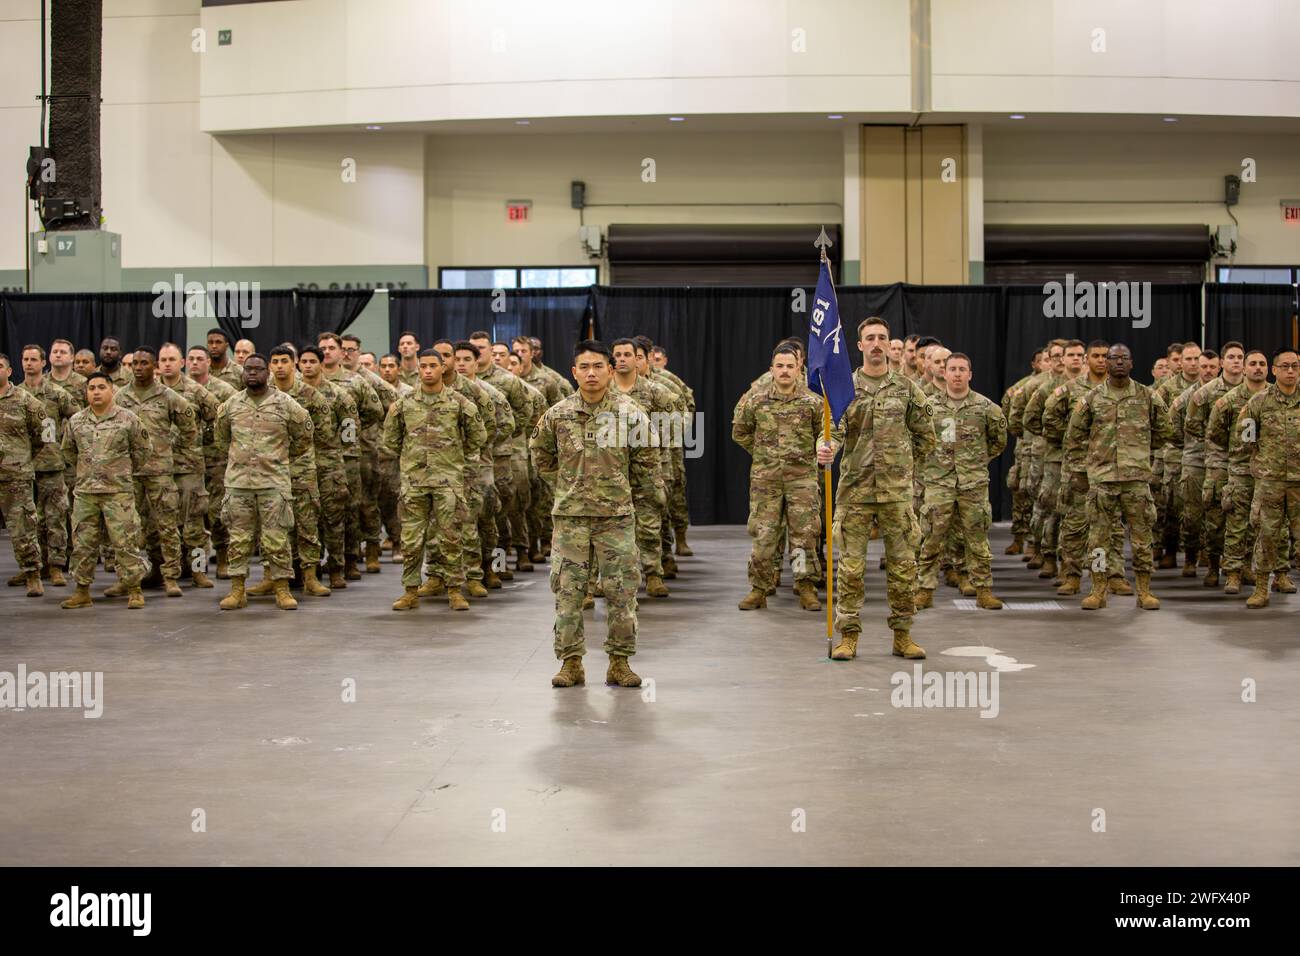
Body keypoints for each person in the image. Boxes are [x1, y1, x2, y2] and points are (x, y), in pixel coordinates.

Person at [532, 340, 662, 688]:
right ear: (574, 372)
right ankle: (570, 663)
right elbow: (541, 457)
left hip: (616, 519)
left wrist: (624, 494)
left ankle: (620, 662)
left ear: (610, 369)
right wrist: (566, 486)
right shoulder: (558, 414)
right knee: (568, 592)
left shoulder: (630, 412)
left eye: (598, 366)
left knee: (621, 592)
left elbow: (647, 462)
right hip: (571, 519)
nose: (591, 373)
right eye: (584, 367)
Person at [817, 317, 935, 661]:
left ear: (889, 344)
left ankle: (903, 635)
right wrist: (825, 446)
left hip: (897, 493)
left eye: (882, 337)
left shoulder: (907, 388)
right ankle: (848, 636)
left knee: (902, 567)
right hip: (855, 491)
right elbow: (834, 430)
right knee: (851, 570)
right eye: (869, 338)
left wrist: (906, 467)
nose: (876, 343)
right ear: (859, 345)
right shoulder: (844, 387)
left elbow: (925, 434)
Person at [1065, 344, 1173, 611]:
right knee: (1098, 539)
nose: (1119, 363)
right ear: (1107, 363)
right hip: (1102, 479)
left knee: (1141, 537)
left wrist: (1140, 453)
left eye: (1124, 358)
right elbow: (1074, 436)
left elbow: (1164, 430)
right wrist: (1085, 468)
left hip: (1136, 479)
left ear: (1132, 363)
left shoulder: (1148, 396)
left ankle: (1144, 590)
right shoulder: (1091, 398)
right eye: (1114, 358)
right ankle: (1098, 589)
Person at [384, 348, 483, 612]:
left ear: (442, 368)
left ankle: (454, 590)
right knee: (411, 540)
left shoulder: (459, 402)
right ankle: (410, 591)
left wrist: (454, 459)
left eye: (432, 366)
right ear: (417, 368)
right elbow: (390, 440)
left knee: (451, 537)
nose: (427, 370)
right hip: (414, 482)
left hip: (448, 481)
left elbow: (477, 437)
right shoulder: (404, 403)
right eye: (423, 366)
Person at [214, 354, 314, 611]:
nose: (252, 373)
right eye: (248, 369)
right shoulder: (231, 405)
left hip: (273, 483)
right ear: (242, 372)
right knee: (238, 539)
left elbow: (304, 436)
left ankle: (282, 589)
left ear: (267, 372)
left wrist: (278, 458)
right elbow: (221, 439)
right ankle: (237, 590)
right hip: (239, 483)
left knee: (277, 539)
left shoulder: (285, 404)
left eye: (258, 369)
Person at [732, 343, 825, 611]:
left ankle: (805, 586)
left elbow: (824, 434)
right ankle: (759, 588)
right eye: (780, 366)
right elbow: (740, 431)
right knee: (764, 536)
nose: (785, 371)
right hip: (766, 481)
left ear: (799, 369)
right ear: (771, 369)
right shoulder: (756, 400)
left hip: (802, 481)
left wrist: (811, 456)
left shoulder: (812, 402)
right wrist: (762, 453)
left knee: (804, 536)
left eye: (790, 366)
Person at [915, 352, 1007, 610]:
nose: (956, 374)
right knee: (931, 537)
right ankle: (924, 589)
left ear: (970, 374)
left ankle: (983, 590)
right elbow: (917, 439)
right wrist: (930, 467)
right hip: (938, 482)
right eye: (952, 369)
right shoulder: (929, 407)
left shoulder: (986, 408)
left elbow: (998, 441)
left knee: (977, 538)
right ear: (943, 373)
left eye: (961, 369)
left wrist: (976, 461)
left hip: (973, 484)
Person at [59, 372, 151, 609]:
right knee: (83, 544)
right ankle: (82, 591)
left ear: (111, 390)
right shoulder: (77, 421)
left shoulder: (128, 419)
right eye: (91, 388)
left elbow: (142, 451)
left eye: (101, 387)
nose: (96, 392)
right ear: (86, 392)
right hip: (86, 493)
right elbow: (68, 451)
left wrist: (121, 473)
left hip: (117, 493)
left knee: (125, 542)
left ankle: (134, 590)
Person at [115, 347, 198, 598]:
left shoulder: (168, 396)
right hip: (130, 473)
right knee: (129, 527)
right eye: (135, 363)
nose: (138, 368)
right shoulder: (120, 396)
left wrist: (171, 449)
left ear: (155, 367)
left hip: (160, 471)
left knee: (167, 525)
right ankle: (132, 577)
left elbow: (189, 428)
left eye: (144, 363)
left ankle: (171, 576)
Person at [264, 346, 332, 597]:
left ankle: (310, 576)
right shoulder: (263, 395)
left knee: (307, 523)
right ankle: (272, 575)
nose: (280, 366)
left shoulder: (311, 396)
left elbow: (324, 435)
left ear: (294, 364)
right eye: (275, 361)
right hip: (270, 470)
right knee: (273, 526)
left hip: (301, 469)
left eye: (284, 361)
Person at [611, 338, 676, 599]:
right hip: (612, 469)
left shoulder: (653, 391)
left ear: (640, 359)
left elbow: (678, 417)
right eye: (618, 354)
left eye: (629, 354)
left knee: (649, 524)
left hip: (647, 468)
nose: (623, 359)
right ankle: (612, 579)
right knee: (612, 527)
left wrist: (655, 441)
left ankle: (653, 575)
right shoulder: (603, 392)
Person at [1207, 349, 1273, 595]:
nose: (1258, 368)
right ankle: (1232, 573)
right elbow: (1214, 434)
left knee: (1268, 526)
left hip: (1270, 473)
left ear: (1268, 369)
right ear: (1244, 368)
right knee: (1237, 524)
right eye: (1253, 363)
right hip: (1240, 471)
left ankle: (1261, 570)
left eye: (1262, 364)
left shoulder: (1275, 397)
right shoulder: (1229, 400)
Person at [1239, 346, 1300, 608]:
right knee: (1266, 535)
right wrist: (1264, 463)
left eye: (1294, 366)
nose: (1290, 371)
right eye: (1284, 366)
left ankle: (1283, 577)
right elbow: (1245, 438)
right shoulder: (1259, 402)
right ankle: (1262, 588)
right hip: (1270, 481)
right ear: (1274, 370)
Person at [157, 343, 219, 589]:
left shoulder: (195, 391)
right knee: (159, 524)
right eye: (163, 360)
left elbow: (218, 416)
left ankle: (197, 571)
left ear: (181, 362)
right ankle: (162, 570)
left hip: (189, 467)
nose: (168, 364)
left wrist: (205, 445)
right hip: (157, 469)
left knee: (193, 525)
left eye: (172, 359)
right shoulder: (149, 392)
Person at [17, 345, 79, 586]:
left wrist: (67, 446)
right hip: (23, 466)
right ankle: (32, 566)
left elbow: (78, 418)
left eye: (34, 359)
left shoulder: (55, 393)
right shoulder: (16, 393)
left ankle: (56, 566)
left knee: (55, 517)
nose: (29, 363)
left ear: (43, 363)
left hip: (52, 463)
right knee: (28, 520)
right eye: (25, 359)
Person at [1186, 342, 1244, 587]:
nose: (1236, 361)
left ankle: (1242, 567)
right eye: (1231, 357)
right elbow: (1192, 427)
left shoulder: (1255, 392)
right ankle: (1212, 565)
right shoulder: (1206, 393)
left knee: (1245, 518)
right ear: (1222, 362)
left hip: (1246, 464)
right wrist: (1215, 450)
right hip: (1217, 463)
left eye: (1240, 357)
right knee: (1215, 518)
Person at [299, 345, 356, 589]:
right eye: (304, 361)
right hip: (300, 464)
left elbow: (350, 426)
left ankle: (336, 568)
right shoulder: (292, 393)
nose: (308, 365)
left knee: (334, 518)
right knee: (304, 519)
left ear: (322, 364)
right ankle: (305, 569)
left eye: (313, 361)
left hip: (329, 464)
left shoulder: (338, 394)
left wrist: (336, 449)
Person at [0, 352, 49, 596]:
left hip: (15, 475)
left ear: (9, 371)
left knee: (23, 529)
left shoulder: (25, 400)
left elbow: (43, 435)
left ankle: (33, 575)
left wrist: (22, 458)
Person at [186, 345, 237, 576]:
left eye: (199, 359)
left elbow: (234, 420)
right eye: (191, 359)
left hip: (216, 459)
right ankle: (195, 564)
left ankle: (223, 557)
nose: (194, 363)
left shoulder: (223, 391)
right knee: (192, 514)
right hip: (186, 462)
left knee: (217, 512)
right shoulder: (178, 390)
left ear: (208, 363)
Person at [47, 339, 87, 404]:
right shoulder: (41, 382)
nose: (58, 355)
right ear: (49, 356)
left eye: (63, 352)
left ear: (72, 358)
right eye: (55, 352)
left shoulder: (82, 382)